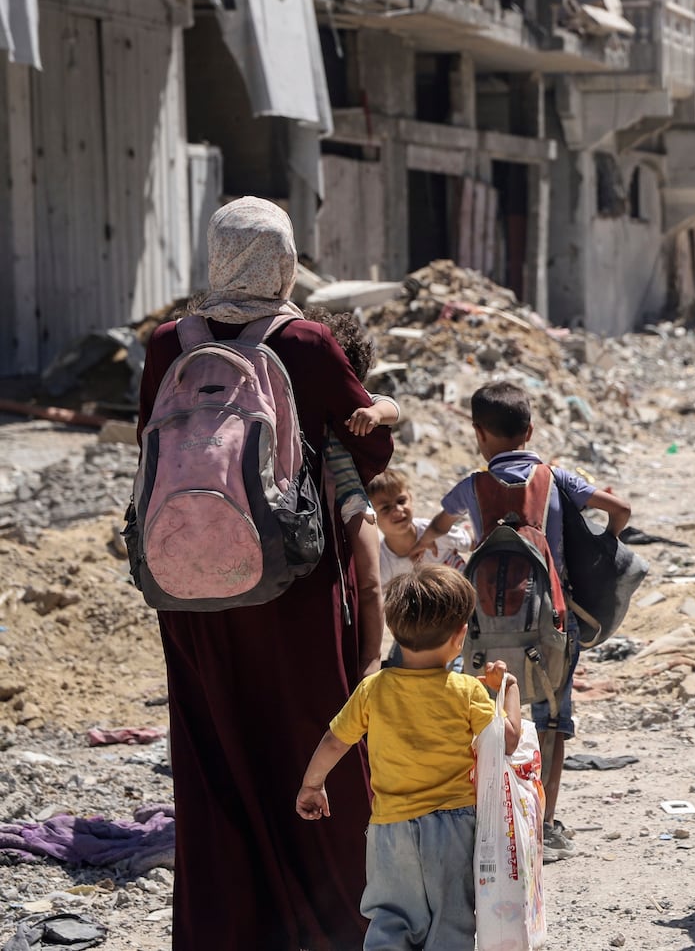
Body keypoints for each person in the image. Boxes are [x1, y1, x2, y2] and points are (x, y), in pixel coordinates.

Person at [137, 197, 393, 950]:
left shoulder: (166, 344)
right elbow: (366, 449)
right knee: (314, 743)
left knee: (213, 749)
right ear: (283, 260)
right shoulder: (305, 341)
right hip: (295, 588)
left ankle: (225, 930)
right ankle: (330, 926)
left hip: (187, 580)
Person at [412, 380, 631, 862]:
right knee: (552, 721)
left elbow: (435, 533)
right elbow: (621, 510)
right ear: (530, 430)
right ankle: (545, 825)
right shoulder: (556, 478)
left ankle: (487, 814)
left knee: (484, 717)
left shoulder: (470, 486)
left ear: (477, 434)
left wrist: (419, 551)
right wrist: (599, 549)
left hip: (483, 628)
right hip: (552, 623)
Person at [296, 566, 521, 949]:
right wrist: (509, 689)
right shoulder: (466, 691)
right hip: (452, 828)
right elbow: (508, 741)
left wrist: (312, 784)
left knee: (390, 917)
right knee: (450, 920)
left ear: (396, 633)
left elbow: (335, 741)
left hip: (390, 828)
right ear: (460, 637)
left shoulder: (374, 689)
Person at [305, 306, 403, 675]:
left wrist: (375, 414)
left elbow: (391, 405)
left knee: (371, 581)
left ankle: (372, 658)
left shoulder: (351, 398)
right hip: (321, 493)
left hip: (347, 494)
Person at [368, 470, 471, 587]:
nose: (398, 510)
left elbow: (474, 543)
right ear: (371, 517)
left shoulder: (435, 530)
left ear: (410, 498)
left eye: (401, 501)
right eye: (385, 508)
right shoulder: (382, 562)